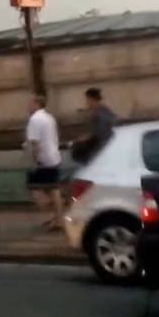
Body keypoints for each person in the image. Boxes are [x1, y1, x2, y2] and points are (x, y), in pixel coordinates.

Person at [24, 94, 63, 231]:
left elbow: (35, 143)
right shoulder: (49, 117)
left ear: (36, 104)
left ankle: (53, 212)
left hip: (42, 159)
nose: (27, 106)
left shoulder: (34, 119)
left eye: (30, 103)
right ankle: (58, 219)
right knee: (53, 189)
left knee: (34, 187)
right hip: (54, 156)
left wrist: (35, 161)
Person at [71, 87, 120, 163]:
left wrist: (86, 138)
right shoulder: (101, 110)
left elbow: (100, 131)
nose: (87, 102)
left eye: (87, 100)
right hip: (104, 145)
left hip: (103, 146)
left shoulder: (99, 112)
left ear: (92, 99)